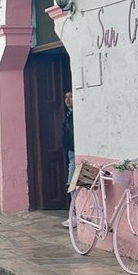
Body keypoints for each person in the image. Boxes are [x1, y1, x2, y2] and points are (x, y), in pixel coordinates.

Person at [61, 92, 75, 228]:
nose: (67, 100)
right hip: (71, 151)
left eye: (70, 96)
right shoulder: (67, 115)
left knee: (73, 183)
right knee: (71, 184)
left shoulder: (76, 115)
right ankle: (74, 214)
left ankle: (75, 215)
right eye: (65, 97)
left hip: (76, 151)